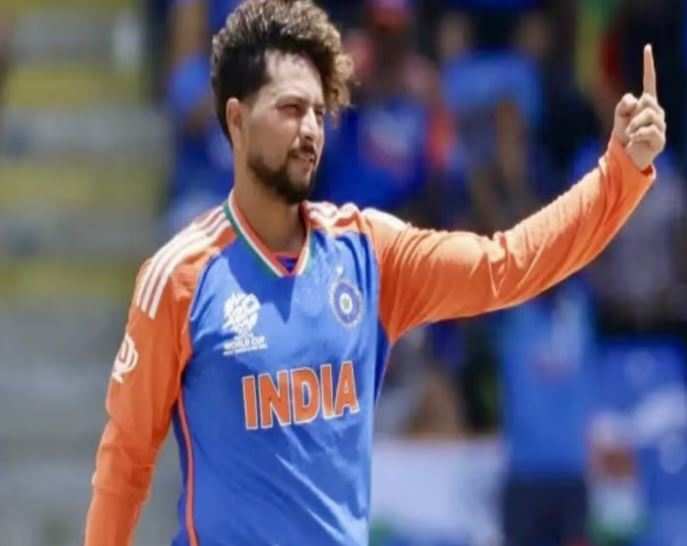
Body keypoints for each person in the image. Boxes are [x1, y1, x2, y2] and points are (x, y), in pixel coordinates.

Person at [83, 1, 666, 544]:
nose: (309, 130)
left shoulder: (367, 253)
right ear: (236, 119)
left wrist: (619, 174)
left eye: (318, 112)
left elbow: (506, 265)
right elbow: (126, 460)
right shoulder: (181, 277)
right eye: (289, 109)